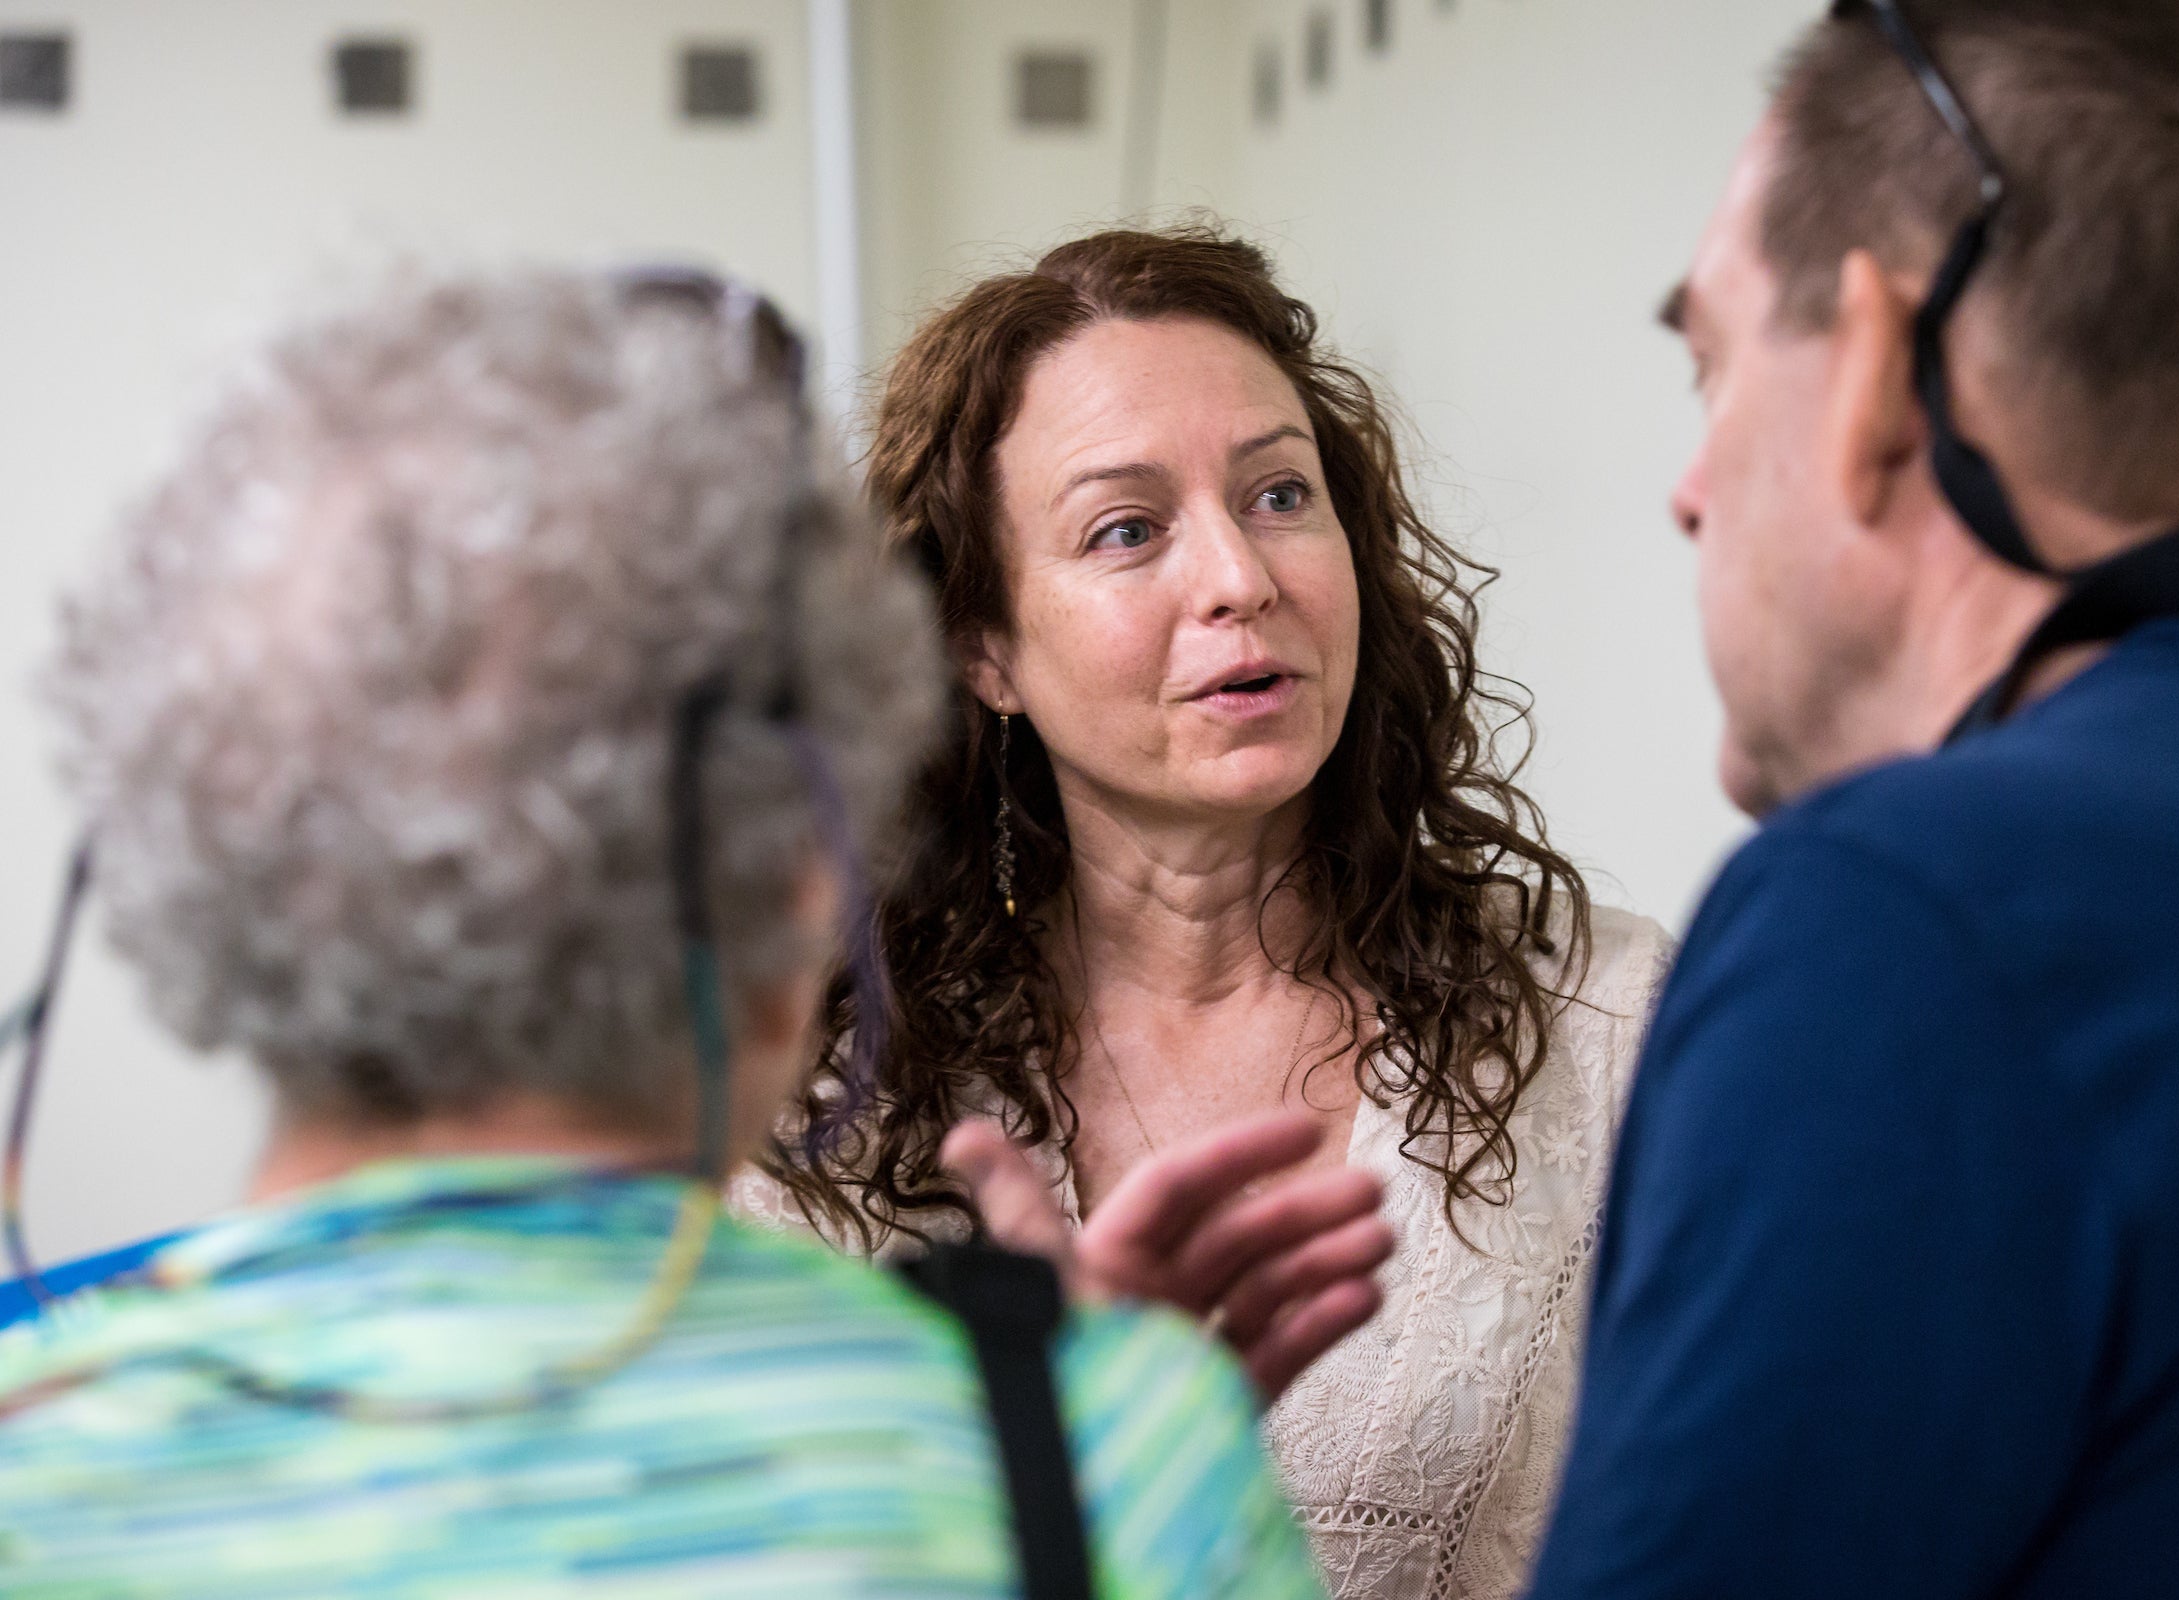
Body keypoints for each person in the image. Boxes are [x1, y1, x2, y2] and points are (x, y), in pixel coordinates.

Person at [0, 267, 1334, 1597]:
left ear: (192, 875)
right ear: (804, 885)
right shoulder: (1113, 1458)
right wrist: (1112, 1441)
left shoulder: (34, 1470)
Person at [1530, 1, 2179, 1595]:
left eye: (1712, 365)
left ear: (1874, 367)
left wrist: (1120, 1462)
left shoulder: (1902, 925)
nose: (1690, 484)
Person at [732, 226, 1674, 1600]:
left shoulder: (1611, 1034)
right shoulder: (826, 1098)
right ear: (981, 646)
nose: (1242, 577)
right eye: (1127, 530)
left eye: (1281, 496)